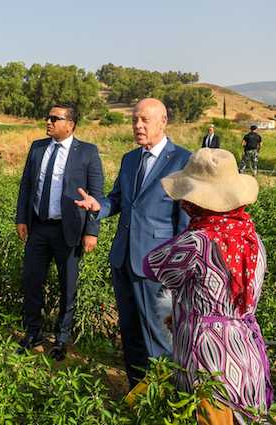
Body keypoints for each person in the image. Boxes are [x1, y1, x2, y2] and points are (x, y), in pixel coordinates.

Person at [144, 148, 273, 424]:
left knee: (207, 414)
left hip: (207, 354)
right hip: (245, 349)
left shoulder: (197, 242)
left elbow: (151, 265)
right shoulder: (253, 240)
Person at [74, 98, 191, 387]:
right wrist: (97, 205)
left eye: (144, 120)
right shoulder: (130, 159)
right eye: (134, 120)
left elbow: (184, 220)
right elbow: (117, 199)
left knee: (159, 336)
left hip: (157, 266)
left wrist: (177, 269)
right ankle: (137, 392)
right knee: (131, 333)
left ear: (163, 121)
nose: (138, 126)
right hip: (124, 259)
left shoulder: (182, 160)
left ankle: (163, 400)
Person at [15, 103, 104, 359]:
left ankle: (61, 339)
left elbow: (96, 195)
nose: (49, 121)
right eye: (48, 117)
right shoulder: (37, 147)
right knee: (32, 281)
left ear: (71, 124)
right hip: (39, 227)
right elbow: (26, 185)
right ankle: (33, 333)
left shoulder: (87, 152)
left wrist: (92, 231)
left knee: (68, 286)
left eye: (56, 118)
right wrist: (22, 218)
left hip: (69, 230)